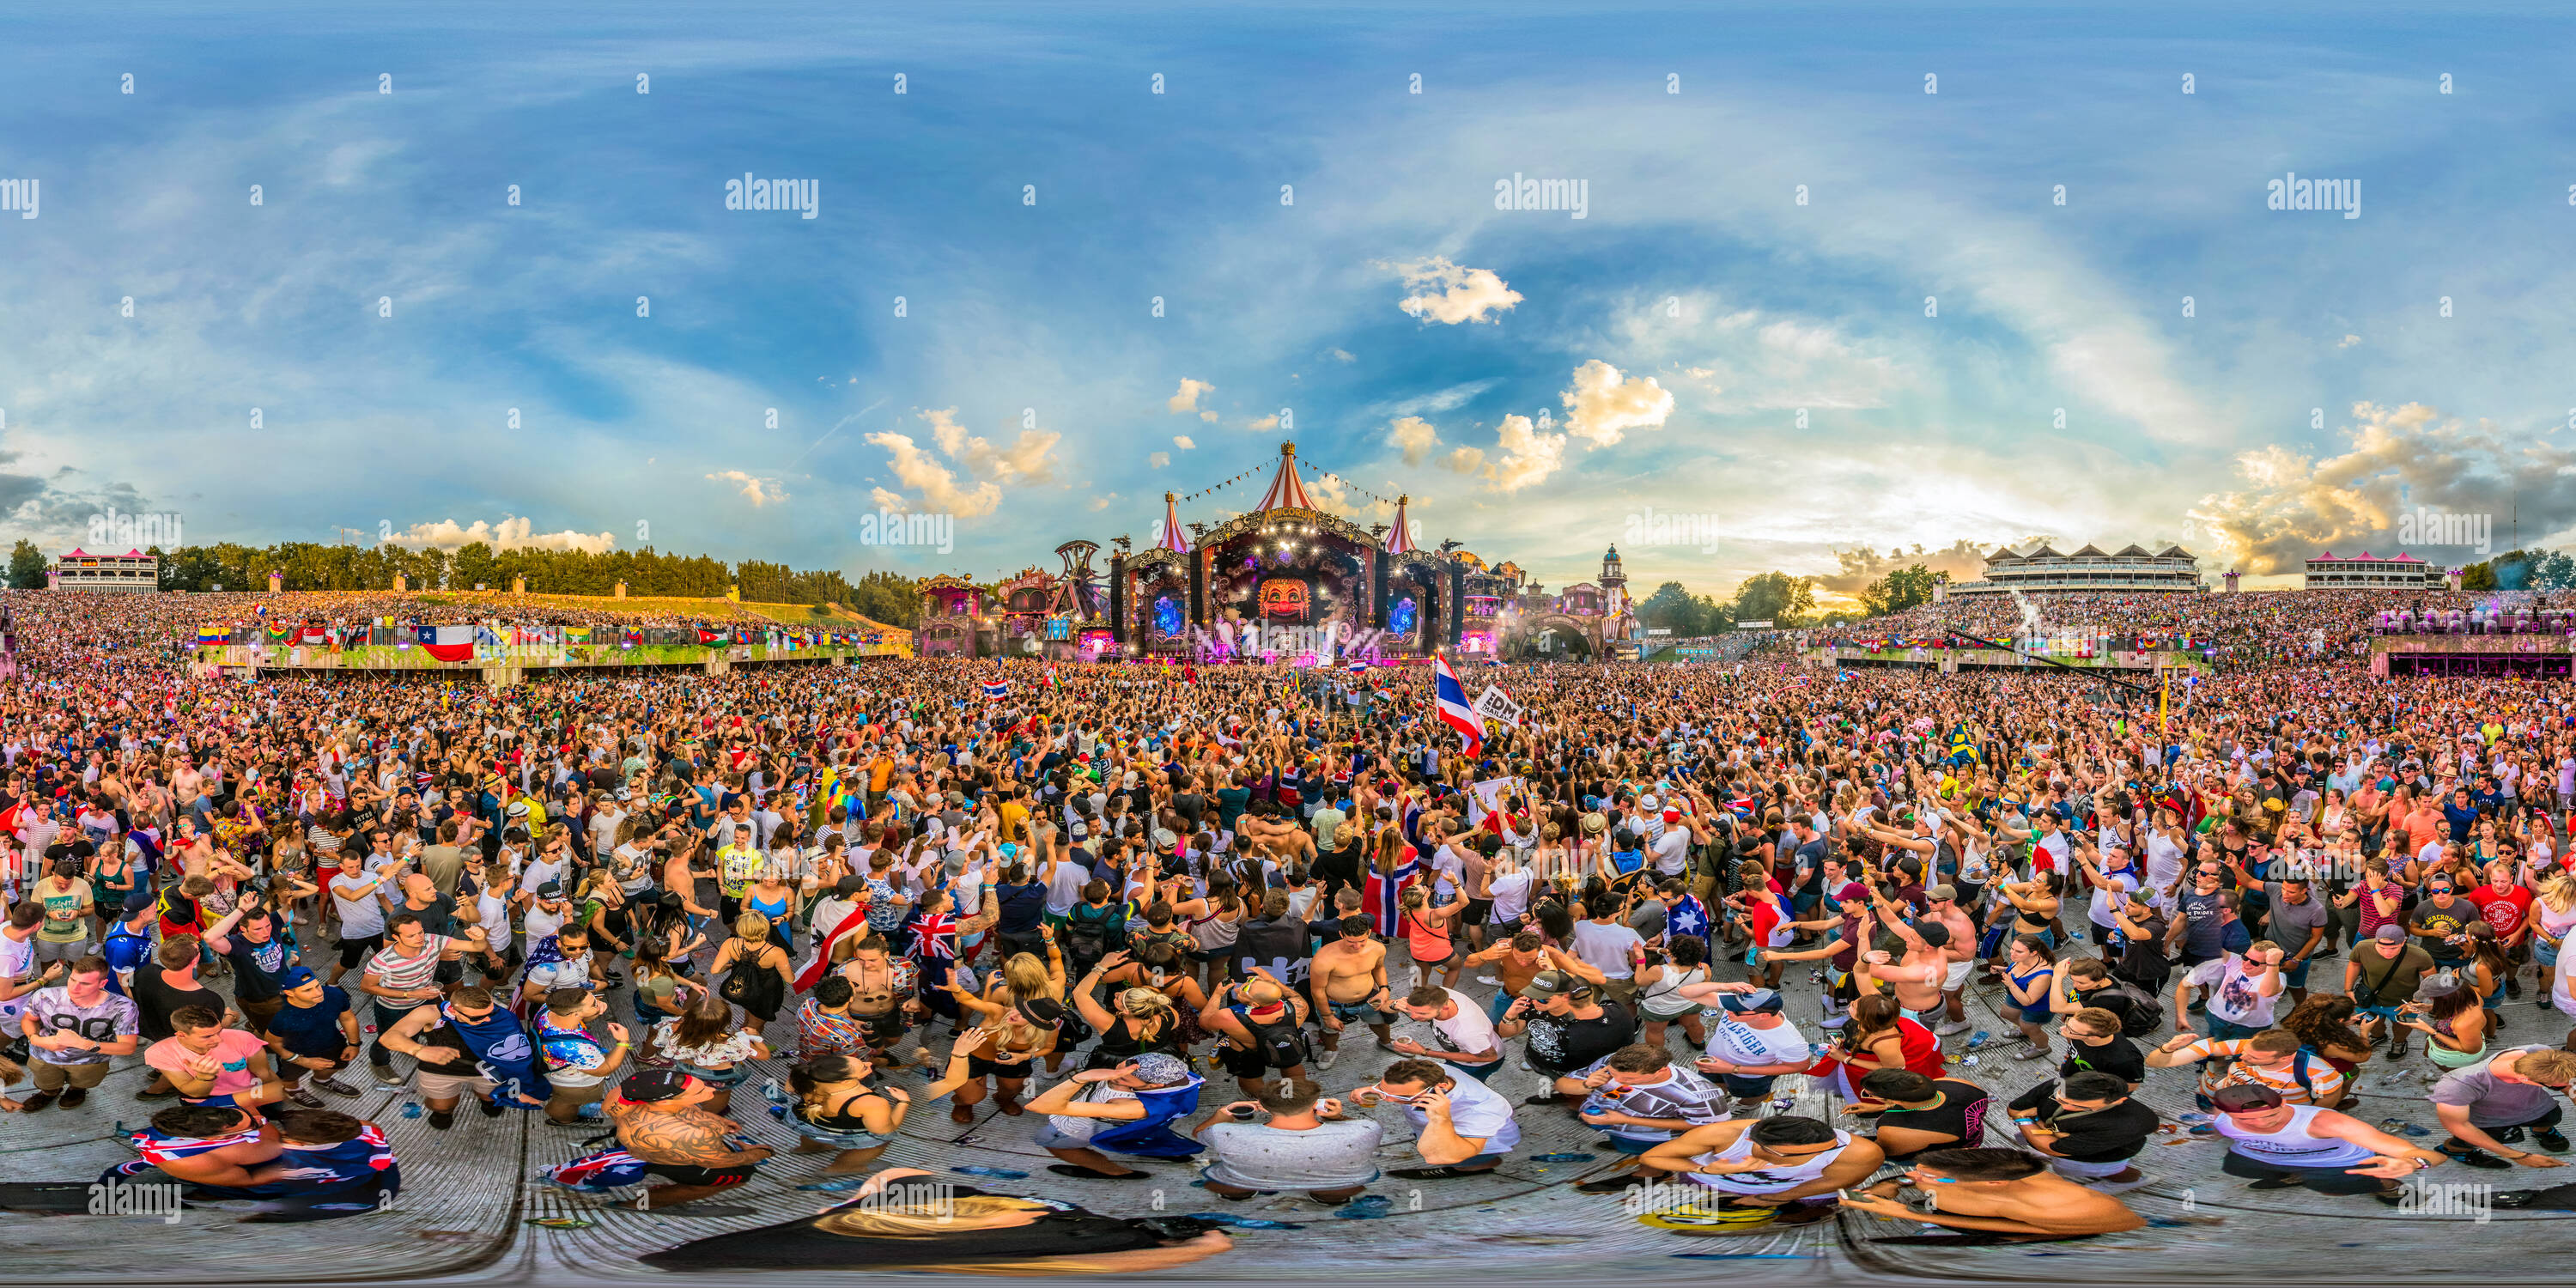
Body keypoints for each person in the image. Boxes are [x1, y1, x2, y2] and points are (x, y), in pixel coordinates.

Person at [635, 1166, 1232, 1274]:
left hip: (874, 1223)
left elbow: (907, 1176)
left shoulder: (1058, 1221)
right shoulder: (1069, 1225)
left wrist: (864, 1196)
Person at [2203, 1083, 2449, 1200]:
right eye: (2248, 1121)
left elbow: (2430, 1155)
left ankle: (2387, 1187)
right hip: (2283, 1161)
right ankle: (2296, 1175)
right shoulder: (2222, 1119)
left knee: (2357, 1182)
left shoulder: (2327, 1123)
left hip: (2342, 1164)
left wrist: (2413, 1162)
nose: (2262, 1124)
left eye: (2271, 1115)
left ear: (2285, 1104)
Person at [1840, 1146, 2145, 1240]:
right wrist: (1897, 1185)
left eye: (1925, 1174)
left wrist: (1906, 1213)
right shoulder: (2001, 1168)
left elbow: (2020, 1230)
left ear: (1993, 1184)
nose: (1912, 1174)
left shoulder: (2061, 1208)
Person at [1637, 1115, 1884, 1223]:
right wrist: (1705, 1171)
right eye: (1788, 1156)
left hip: (1798, 1189)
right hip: (1721, 1180)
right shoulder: (1722, 1134)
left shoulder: (1862, 1152)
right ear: (1752, 1142)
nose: (1821, 1156)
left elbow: (1831, 1183)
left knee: (1804, 1216)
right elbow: (1653, 1156)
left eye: (1827, 1149)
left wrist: (1769, 1198)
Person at [1006, 1051, 1206, 1181]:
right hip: (1141, 1127)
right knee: (1143, 1139)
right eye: (1122, 1065)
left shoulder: (1132, 1107)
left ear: (1155, 1085)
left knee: (1050, 1141)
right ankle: (1164, 1152)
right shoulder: (1180, 1079)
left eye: (1124, 1076)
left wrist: (1081, 1078)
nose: (1114, 1073)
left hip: (1082, 1127)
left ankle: (1116, 1172)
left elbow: (1040, 1106)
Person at [1563, 1043, 1728, 1193]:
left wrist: (1625, 1120)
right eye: (1612, 1074)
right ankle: (1626, 1143)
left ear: (1660, 1071)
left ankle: (1651, 1175)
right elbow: (1577, 1079)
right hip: (1618, 1124)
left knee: (1649, 1156)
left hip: (1659, 1137)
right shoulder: (1612, 1061)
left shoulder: (1697, 1094)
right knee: (1629, 1142)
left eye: (1629, 1079)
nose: (1617, 1081)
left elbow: (1708, 1127)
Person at [602, 1068, 774, 1210]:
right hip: (655, 1151)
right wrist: (760, 1153)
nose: (712, 1089)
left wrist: (718, 1121)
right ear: (665, 1102)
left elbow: (682, 1107)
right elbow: (723, 1161)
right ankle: (643, 1203)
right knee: (738, 1176)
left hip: (628, 1138)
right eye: (700, 1091)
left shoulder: (623, 1093)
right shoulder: (688, 1134)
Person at [1190, 1076, 1383, 1201]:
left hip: (1247, 1179)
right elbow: (1357, 1128)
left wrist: (1222, 1113)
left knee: (1215, 1177)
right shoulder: (1367, 1129)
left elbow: (1199, 1135)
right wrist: (1339, 1118)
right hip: (1334, 1184)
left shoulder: (1225, 1133)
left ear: (1263, 1107)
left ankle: (1241, 1193)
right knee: (1347, 1183)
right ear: (1317, 1104)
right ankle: (1330, 1197)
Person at [1352, 1057, 1523, 1179]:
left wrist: (1440, 1119)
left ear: (1440, 1086)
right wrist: (1375, 1089)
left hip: (1479, 1143)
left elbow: (1440, 1157)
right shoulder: (1433, 1070)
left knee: (1469, 1161)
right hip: (1443, 1127)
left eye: (1401, 1097)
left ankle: (1474, 1168)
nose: (1387, 1099)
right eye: (1383, 1090)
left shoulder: (1480, 1109)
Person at [15, 957, 139, 1110]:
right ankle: (49, 1093)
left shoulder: (122, 1007)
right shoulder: (44, 996)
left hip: (91, 1061)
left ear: (102, 983)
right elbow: (29, 1020)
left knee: (82, 1082)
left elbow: (128, 1047)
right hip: (45, 1056)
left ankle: (76, 1090)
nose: (74, 988)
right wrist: (36, 1040)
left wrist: (83, 1044)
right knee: (46, 1082)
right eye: (72, 980)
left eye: (85, 983)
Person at [2427, 1044, 2576, 1170]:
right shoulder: (2457, 1086)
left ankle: (2541, 1131)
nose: (2570, 1088)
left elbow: (2570, 1086)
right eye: (2560, 1087)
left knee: (2552, 1117)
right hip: (2487, 1121)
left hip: (2535, 1105)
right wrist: (2520, 1156)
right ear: (2524, 1079)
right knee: (2467, 1141)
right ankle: (2456, 1150)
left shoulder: (2542, 1052)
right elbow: (2458, 1125)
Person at [1497, 968, 1635, 1100]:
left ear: (1565, 997)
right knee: (1551, 1082)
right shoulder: (1531, 1005)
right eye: (1532, 994)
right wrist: (1510, 1015)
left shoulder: (1578, 1028)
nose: (1534, 1001)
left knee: (1574, 1091)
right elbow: (1506, 1032)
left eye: (1543, 999)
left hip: (1568, 1070)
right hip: (1538, 1059)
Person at [2004, 1071, 2160, 1185]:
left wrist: (2026, 1120)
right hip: (2064, 1143)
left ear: (2118, 1101)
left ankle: (2133, 1181)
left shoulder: (2131, 1123)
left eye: (2077, 1106)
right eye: (2060, 1099)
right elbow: (2014, 1109)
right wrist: (2052, 1133)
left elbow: (2052, 1148)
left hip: (2097, 1158)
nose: (2065, 1106)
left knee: (2113, 1172)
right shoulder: (2060, 1084)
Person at [2146, 1025, 2350, 1109]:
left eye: (2253, 1058)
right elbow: (2154, 1062)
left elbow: (2324, 1104)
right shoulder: (2242, 1046)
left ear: (2286, 1058)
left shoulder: (2319, 1073)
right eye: (2246, 1051)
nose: (2243, 1056)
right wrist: (2168, 1048)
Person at [1690, 987, 1812, 1115]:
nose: (1729, 1011)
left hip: (1748, 1077)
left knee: (1751, 1096)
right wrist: (1724, 986)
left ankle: (1747, 1106)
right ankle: (1719, 1098)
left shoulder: (1789, 1041)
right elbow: (1686, 991)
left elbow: (1801, 1066)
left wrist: (1733, 1069)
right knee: (1712, 1086)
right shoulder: (1739, 1004)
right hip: (1712, 1060)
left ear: (1763, 1016)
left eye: (1738, 1011)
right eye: (1731, 1006)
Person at [784, 1051, 908, 1175]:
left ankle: (809, 1147)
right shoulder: (870, 1102)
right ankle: (842, 1167)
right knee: (882, 1140)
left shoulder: (805, 1075)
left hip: (801, 1122)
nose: (869, 1062)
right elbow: (885, 1130)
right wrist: (903, 1102)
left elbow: (788, 1088)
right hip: (836, 1132)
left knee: (813, 1124)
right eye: (864, 1067)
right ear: (845, 1081)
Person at [144, 1005, 283, 1111]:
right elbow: (193, 1092)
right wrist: (205, 1077)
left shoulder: (243, 1038)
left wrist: (276, 1096)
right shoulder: (161, 1052)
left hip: (251, 1093)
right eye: (207, 1036)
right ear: (181, 1035)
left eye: (219, 1031)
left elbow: (264, 1073)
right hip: (206, 1102)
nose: (218, 1039)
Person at [261, 967, 363, 1106]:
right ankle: (293, 1090)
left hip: (332, 1043)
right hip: (296, 1051)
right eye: (307, 990)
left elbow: (347, 1019)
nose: (318, 993)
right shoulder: (283, 1016)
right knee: (290, 1077)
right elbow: (273, 1042)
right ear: (289, 993)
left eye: (316, 985)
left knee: (335, 1066)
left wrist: (354, 1044)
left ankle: (322, 1080)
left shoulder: (334, 994)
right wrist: (302, 1061)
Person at [1853, 1070, 1993, 1162]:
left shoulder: (1893, 1131)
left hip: (1939, 1157)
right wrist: (1883, 1107)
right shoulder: (1959, 1085)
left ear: (1895, 1100)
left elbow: (1882, 1152)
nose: (1866, 1094)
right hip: (1972, 1137)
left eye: (1869, 1094)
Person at [1393, 984, 1505, 1081]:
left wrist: (1424, 1052)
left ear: (1445, 1008)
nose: (1413, 1017)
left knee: (1468, 1089)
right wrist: (1396, 1004)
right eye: (1411, 1010)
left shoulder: (1467, 1031)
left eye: (1422, 1014)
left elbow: (1489, 1057)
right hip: (1464, 1051)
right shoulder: (1439, 994)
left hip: (1477, 1065)